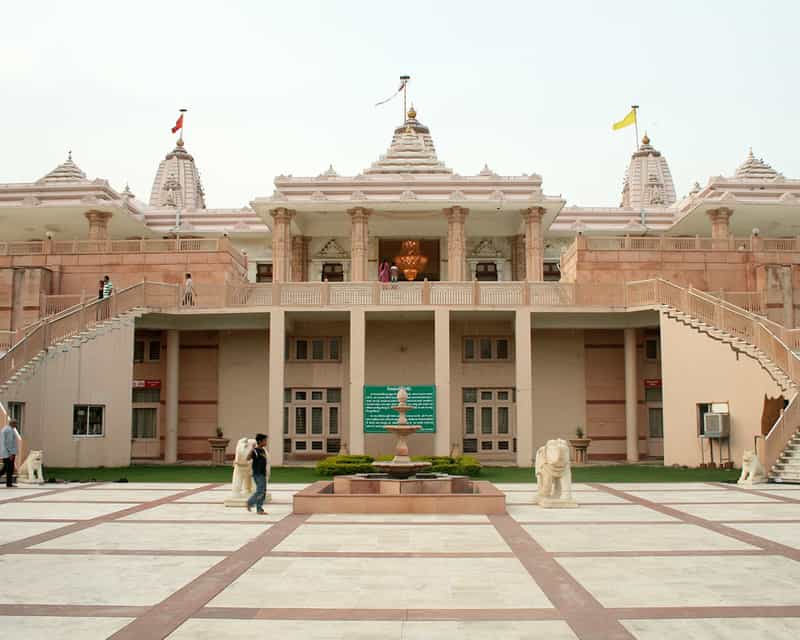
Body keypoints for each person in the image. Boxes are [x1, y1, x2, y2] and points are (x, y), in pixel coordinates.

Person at [246, 433, 270, 515]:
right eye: (265, 440)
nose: (266, 442)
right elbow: (248, 458)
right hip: (258, 474)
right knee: (260, 491)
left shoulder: (263, 450)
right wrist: (252, 449)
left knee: (263, 492)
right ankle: (250, 502)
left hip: (262, 473)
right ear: (260, 441)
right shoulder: (255, 450)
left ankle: (259, 509)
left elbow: (264, 462)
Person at [1, 418, 18, 488]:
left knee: (5, 468)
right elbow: (9, 443)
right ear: (12, 423)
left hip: (5, 452)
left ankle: (9, 483)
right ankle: (9, 483)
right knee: (9, 469)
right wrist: (11, 453)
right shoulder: (9, 430)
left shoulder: (4, 429)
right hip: (9, 453)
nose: (16, 425)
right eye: (15, 423)